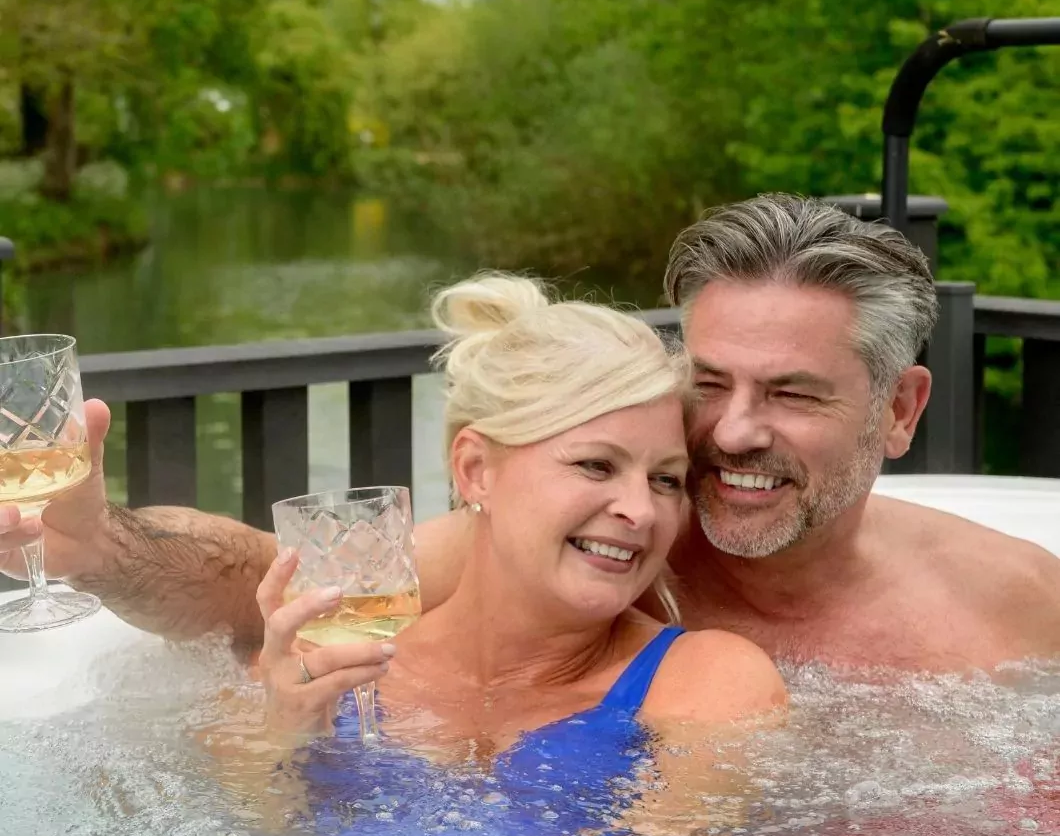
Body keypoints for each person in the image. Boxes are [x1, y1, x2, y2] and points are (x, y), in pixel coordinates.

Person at [2, 195, 1057, 671]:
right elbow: (264, 585)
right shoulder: (600, 556)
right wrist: (103, 547)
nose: (731, 433)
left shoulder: (1015, 609)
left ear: (901, 409)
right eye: (708, 382)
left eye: (791, 394)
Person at [197, 274, 784, 836]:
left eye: (665, 480)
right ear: (475, 470)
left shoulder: (705, 682)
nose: (640, 511)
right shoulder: (335, 667)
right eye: (596, 465)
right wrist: (275, 744)